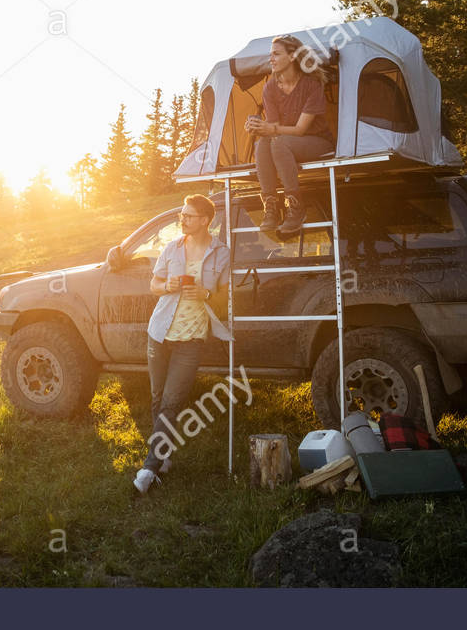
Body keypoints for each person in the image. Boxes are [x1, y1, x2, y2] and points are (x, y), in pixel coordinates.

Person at [133, 194, 233, 493]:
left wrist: (204, 294)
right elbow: (154, 285)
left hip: (191, 338)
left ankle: (150, 467)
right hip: (160, 332)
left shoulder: (222, 254)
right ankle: (164, 457)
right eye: (183, 215)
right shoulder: (172, 248)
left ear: (205, 220)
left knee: (172, 402)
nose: (183, 219)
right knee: (157, 397)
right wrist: (168, 286)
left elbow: (226, 299)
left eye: (189, 215)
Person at [243, 35, 334, 236]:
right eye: (270, 55)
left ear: (292, 56)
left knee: (277, 143)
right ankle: (271, 207)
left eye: (276, 54)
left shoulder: (312, 84)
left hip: (318, 142)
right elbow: (274, 127)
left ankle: (296, 207)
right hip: (285, 143)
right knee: (262, 144)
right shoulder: (270, 88)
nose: (271, 59)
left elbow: (301, 129)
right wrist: (258, 126)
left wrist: (270, 129)